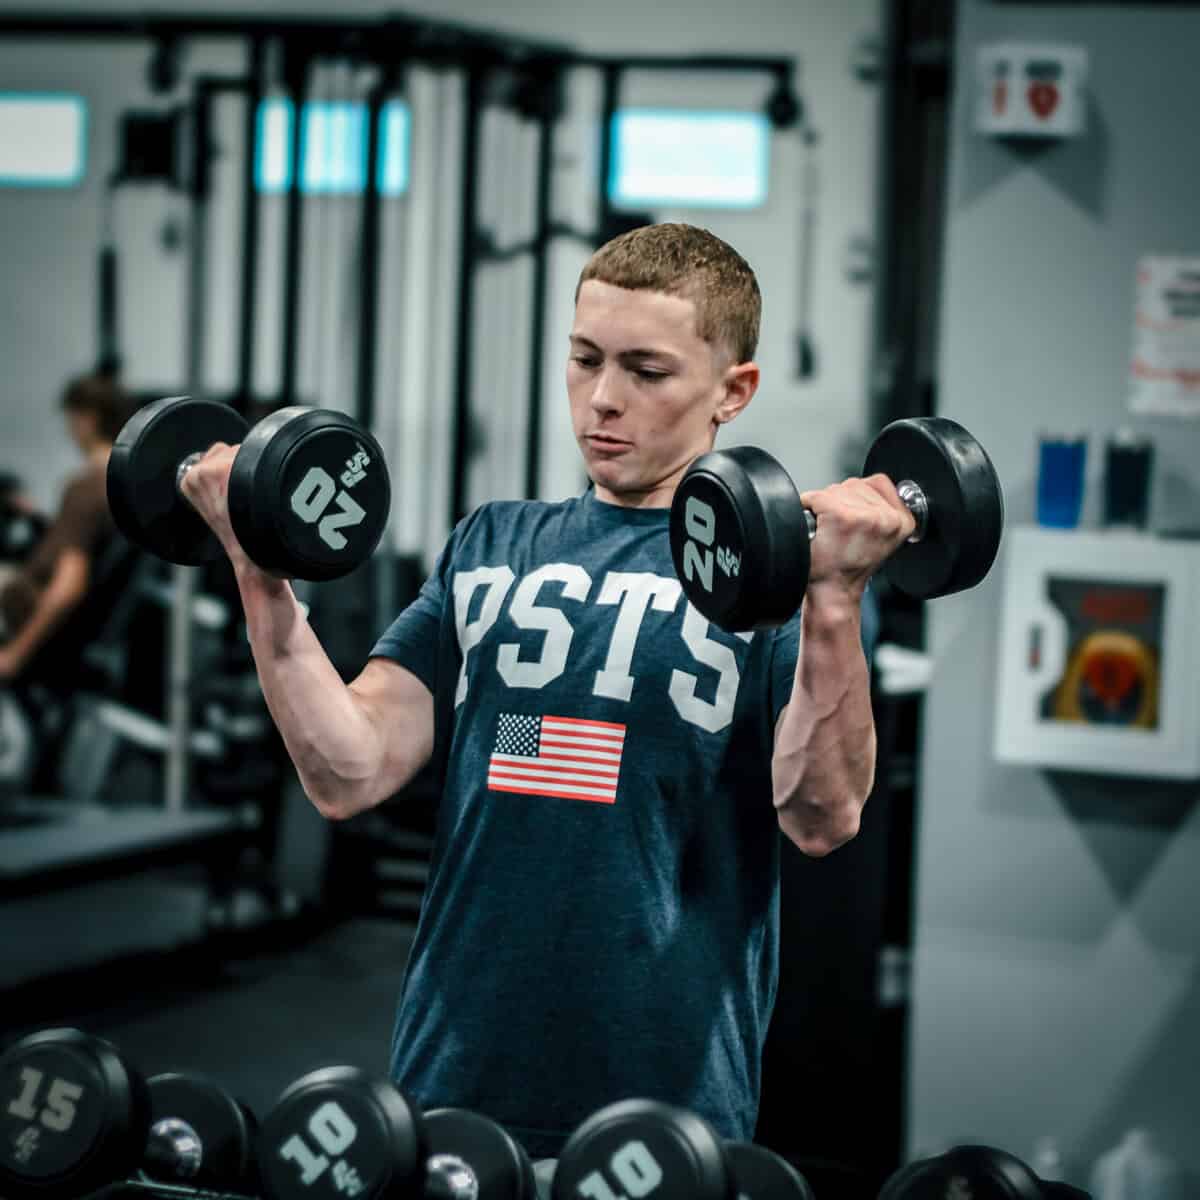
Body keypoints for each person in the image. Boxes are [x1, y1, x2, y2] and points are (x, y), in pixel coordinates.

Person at [178, 223, 905, 1158]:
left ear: (734, 391)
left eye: (647, 370)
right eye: (585, 358)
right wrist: (257, 568)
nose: (603, 398)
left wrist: (836, 599)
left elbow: (822, 818)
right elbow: (348, 770)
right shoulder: (490, 542)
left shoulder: (777, 577)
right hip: (453, 1074)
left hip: (663, 1096)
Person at [0, 372, 133, 682]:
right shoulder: (122, 485)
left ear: (87, 419)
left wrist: (13, 657)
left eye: (70, 419)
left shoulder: (85, 488)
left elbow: (68, 586)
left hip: (27, 612)